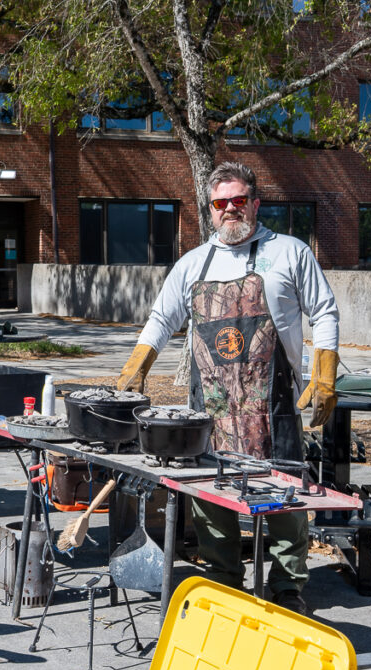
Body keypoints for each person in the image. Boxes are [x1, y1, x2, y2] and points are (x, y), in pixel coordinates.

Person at [117, 161, 340, 614]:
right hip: (210, 409)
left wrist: (325, 371)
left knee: (284, 494)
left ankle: (287, 586)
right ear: (211, 211)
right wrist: (137, 364)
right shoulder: (193, 264)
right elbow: (163, 319)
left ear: (255, 204)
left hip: (272, 404)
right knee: (211, 498)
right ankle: (223, 576)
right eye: (221, 204)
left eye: (239, 201)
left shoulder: (290, 253)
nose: (230, 210)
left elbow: (324, 312)